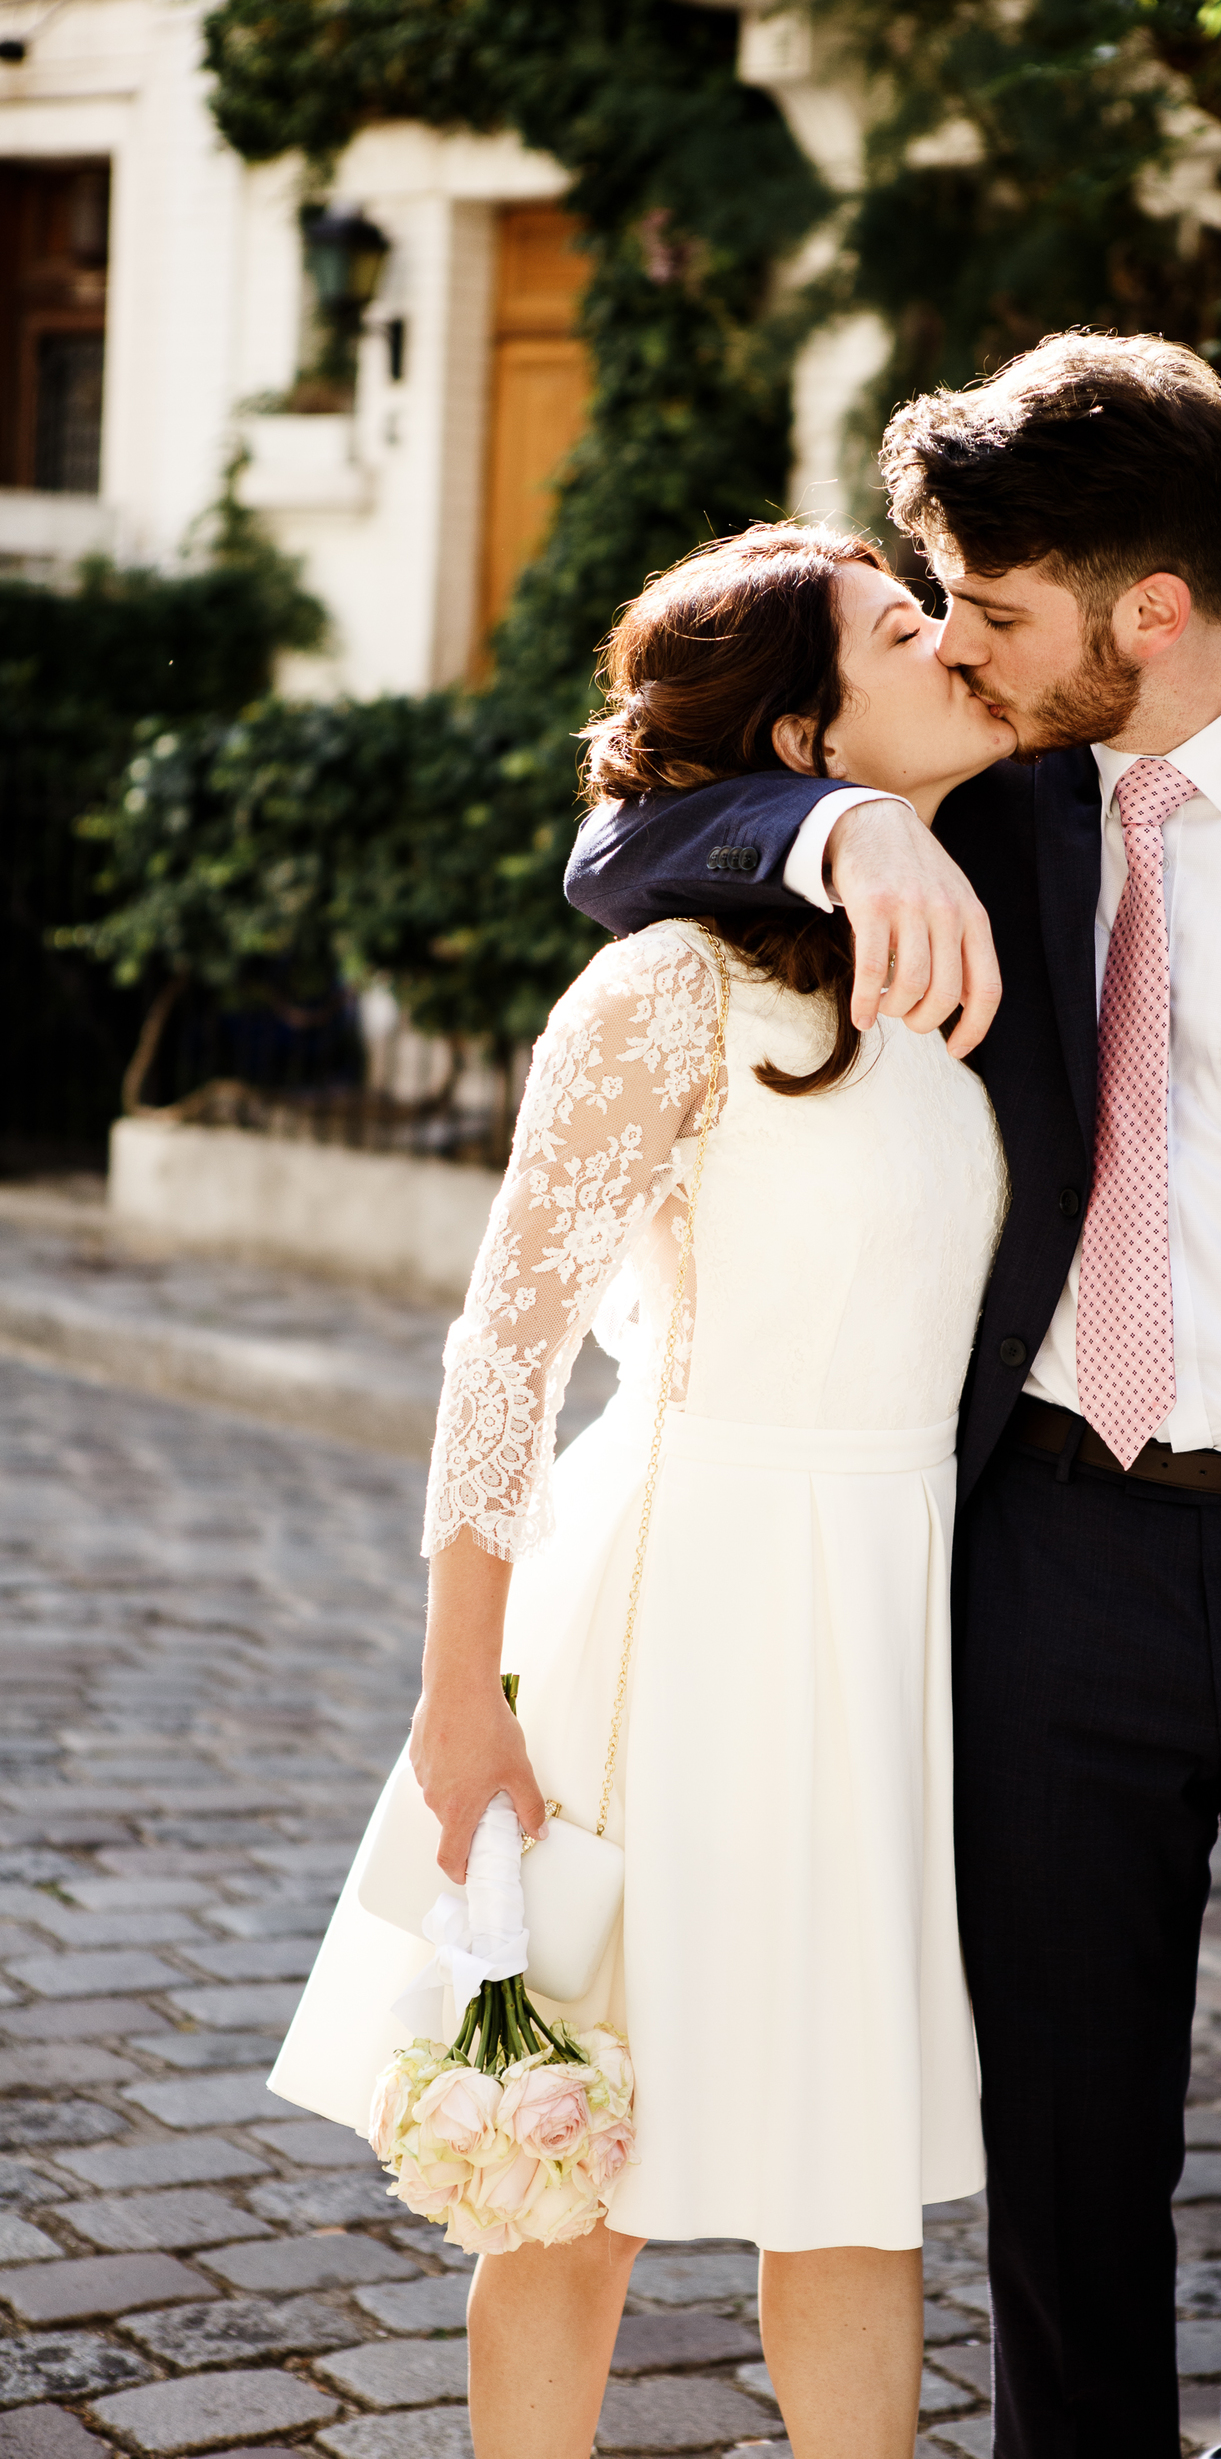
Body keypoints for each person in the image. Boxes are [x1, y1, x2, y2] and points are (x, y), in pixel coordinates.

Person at [565, 334, 1221, 2459]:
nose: (955, 642)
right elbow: (629, 850)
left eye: (988, 606)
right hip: (1049, 1556)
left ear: (1146, 611)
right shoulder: (980, 799)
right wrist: (828, 831)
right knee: (1065, 2156)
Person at [271, 523, 1018, 2459]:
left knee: (852, 2171)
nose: (950, 642)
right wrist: (461, 1699)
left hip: (891, 1613)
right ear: (797, 729)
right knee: (573, 2170)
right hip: (673, 1604)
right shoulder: (669, 989)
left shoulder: (959, 938)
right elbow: (503, 1352)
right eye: (897, 625)